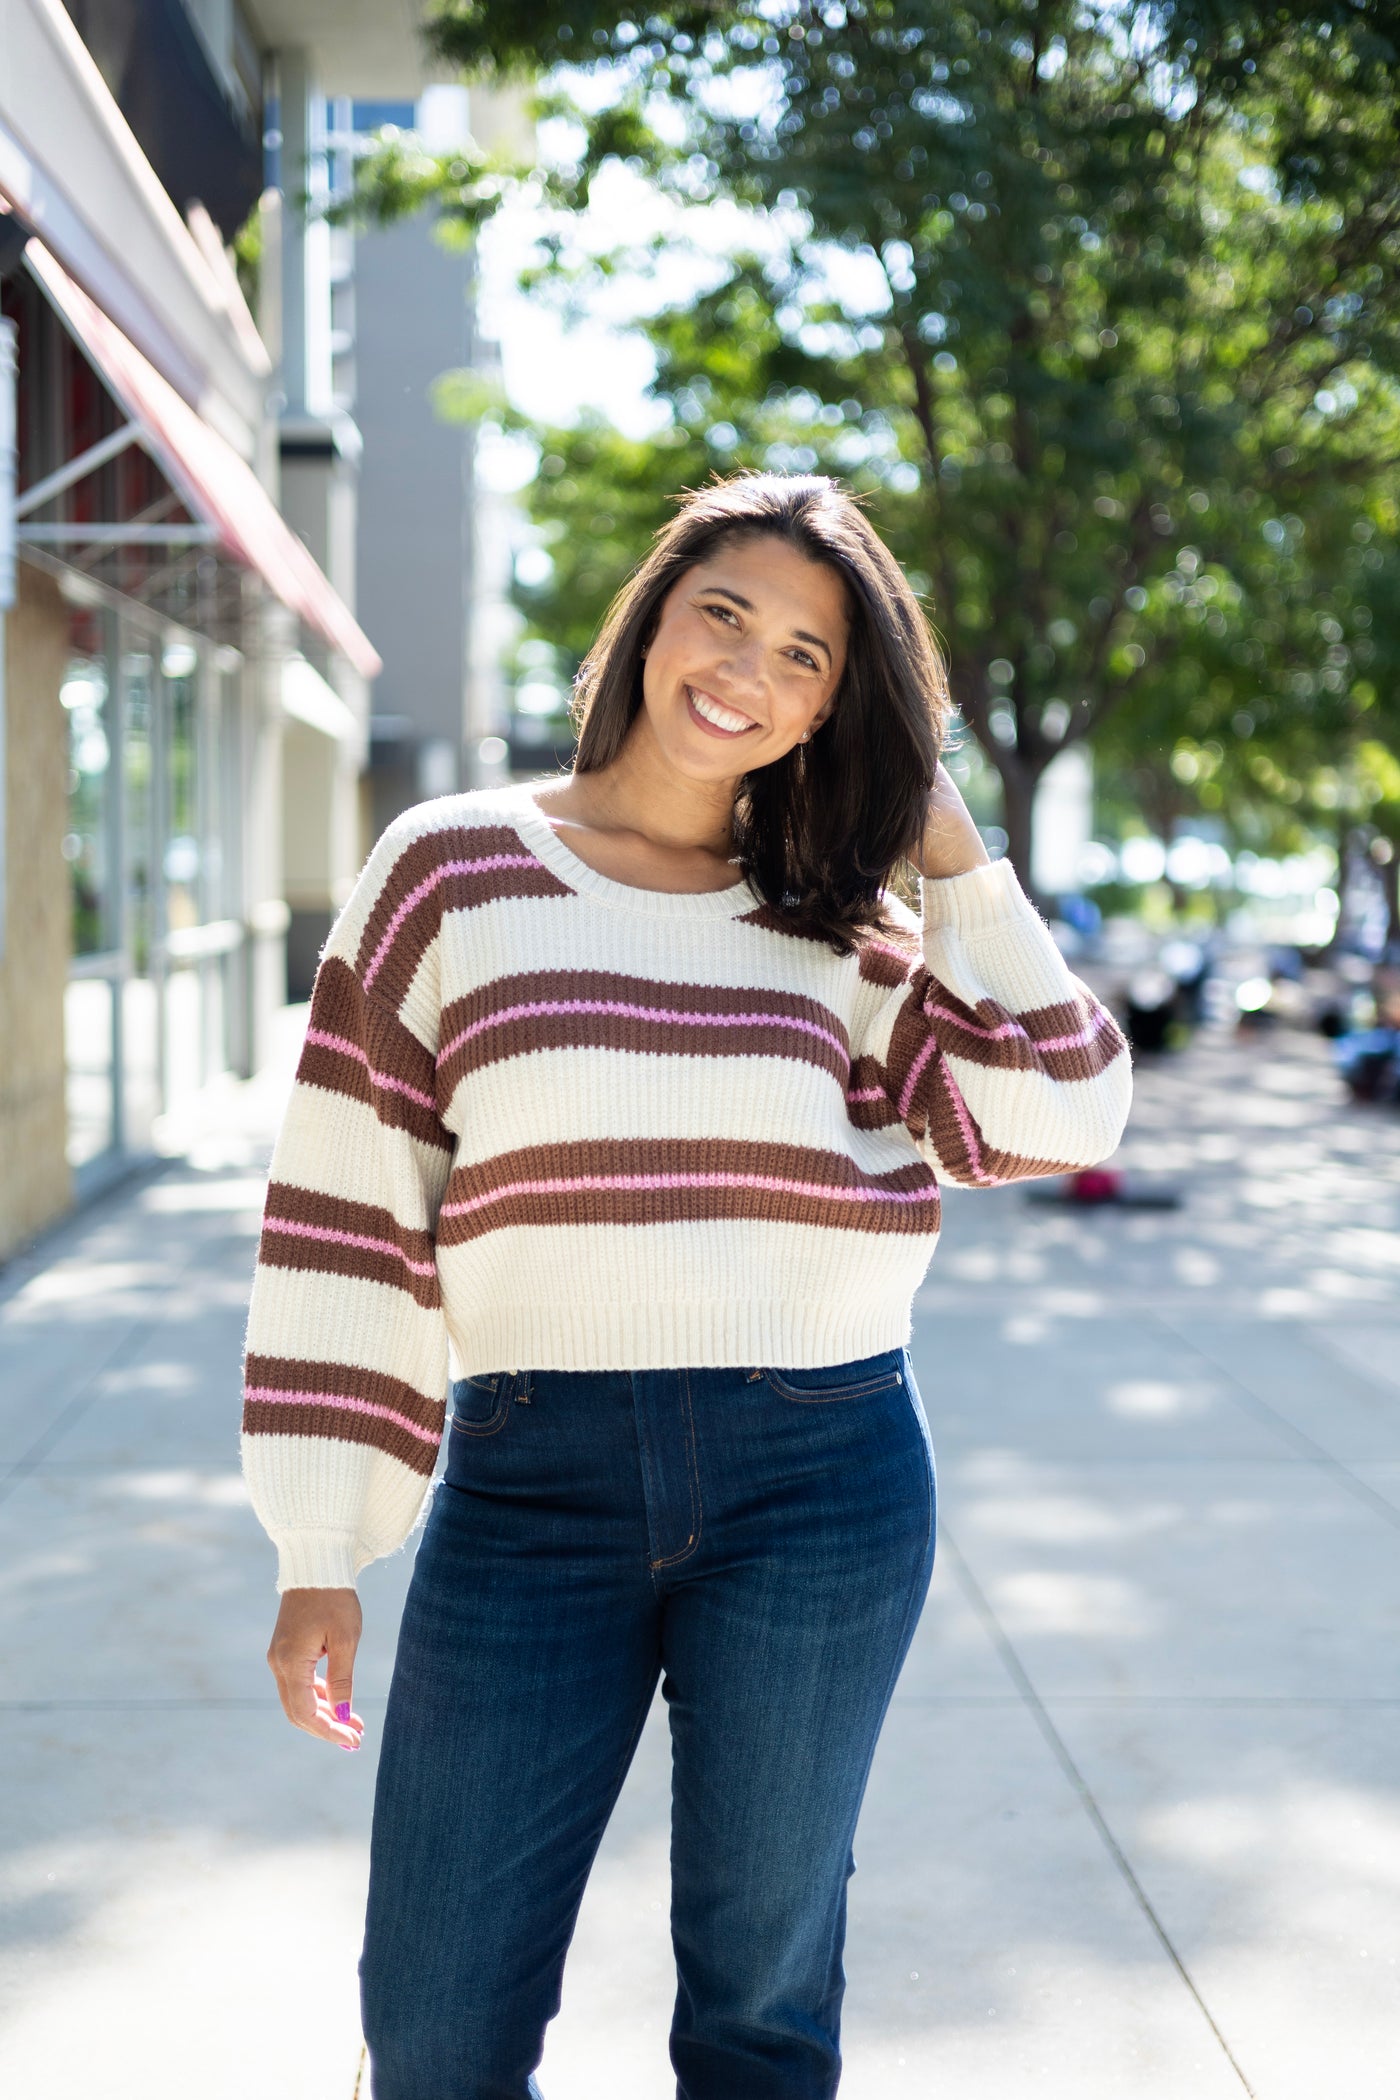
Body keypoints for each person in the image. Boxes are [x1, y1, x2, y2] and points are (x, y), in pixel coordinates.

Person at [241, 473, 1132, 2099]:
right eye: (726, 611)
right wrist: (322, 1541)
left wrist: (945, 842)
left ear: (837, 708)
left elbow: (1067, 1111)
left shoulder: (850, 927)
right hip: (528, 1481)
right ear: (653, 613)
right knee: (435, 2017)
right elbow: (349, 1211)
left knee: (760, 2009)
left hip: (824, 1477)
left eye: (808, 655)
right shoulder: (451, 871)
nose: (750, 668)